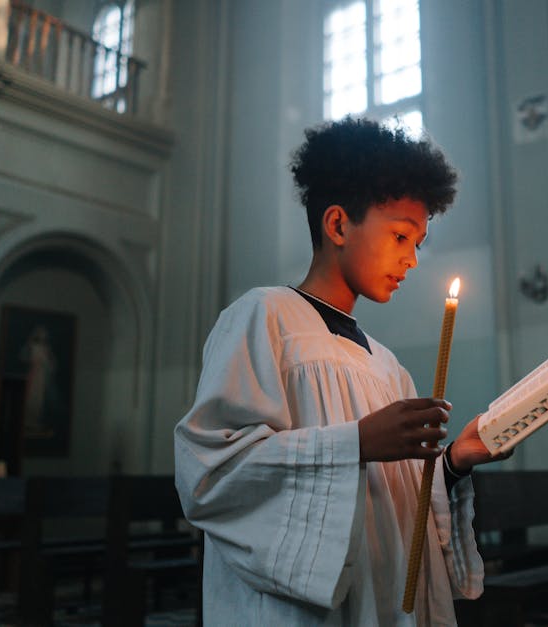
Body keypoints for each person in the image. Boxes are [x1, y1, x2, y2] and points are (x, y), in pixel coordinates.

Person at [174, 117, 507, 626]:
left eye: (418, 242)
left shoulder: (386, 364)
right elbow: (211, 474)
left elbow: (397, 502)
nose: (412, 260)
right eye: (400, 236)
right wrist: (354, 443)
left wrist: (453, 463)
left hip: (384, 599)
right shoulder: (265, 317)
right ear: (337, 225)